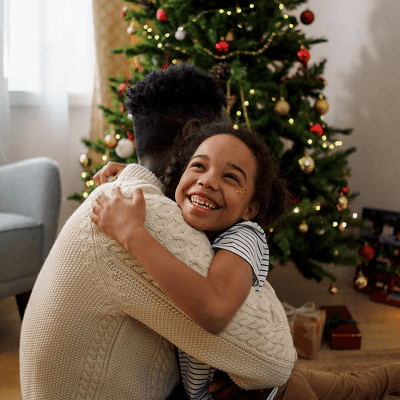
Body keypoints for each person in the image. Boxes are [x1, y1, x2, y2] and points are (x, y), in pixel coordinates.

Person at [19, 64, 296, 400]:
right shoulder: (139, 219)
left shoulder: (127, 198)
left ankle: (374, 380)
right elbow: (276, 361)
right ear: (194, 133)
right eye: (221, 132)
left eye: (230, 175)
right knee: (277, 384)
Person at [90, 123, 288, 400]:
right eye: (198, 166)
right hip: (194, 391)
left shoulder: (246, 236)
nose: (207, 181)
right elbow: (172, 195)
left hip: (259, 395)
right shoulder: (189, 225)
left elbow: (215, 310)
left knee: (351, 389)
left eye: (231, 177)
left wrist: (131, 233)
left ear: (250, 209)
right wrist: (132, 174)